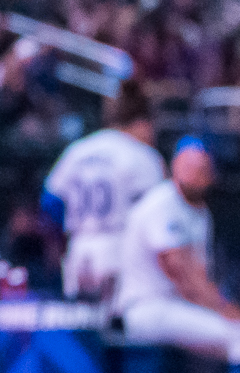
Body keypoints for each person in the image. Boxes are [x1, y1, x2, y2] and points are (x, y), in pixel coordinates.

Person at [114, 138, 240, 373]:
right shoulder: (162, 204)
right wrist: (226, 311)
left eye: (203, 170)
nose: (197, 176)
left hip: (175, 308)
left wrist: (221, 307)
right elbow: (181, 275)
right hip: (146, 307)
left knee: (219, 352)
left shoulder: (199, 212)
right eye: (190, 168)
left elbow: (200, 275)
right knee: (237, 337)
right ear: (175, 169)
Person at [42, 81, 163, 300]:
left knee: (82, 329)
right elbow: (155, 214)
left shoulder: (78, 150)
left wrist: (62, 244)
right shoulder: (143, 156)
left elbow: (50, 203)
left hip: (79, 251)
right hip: (121, 251)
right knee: (117, 330)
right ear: (142, 123)